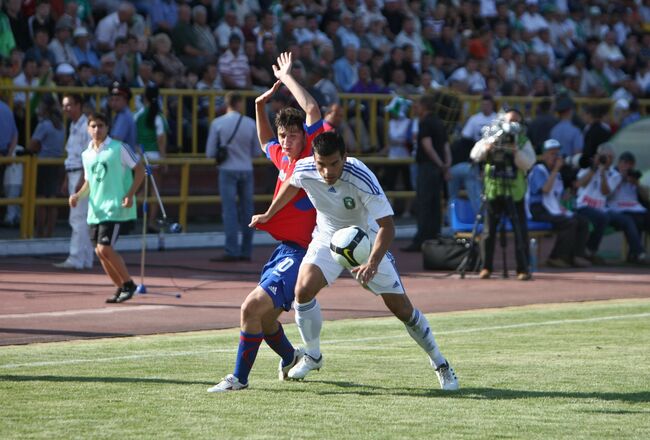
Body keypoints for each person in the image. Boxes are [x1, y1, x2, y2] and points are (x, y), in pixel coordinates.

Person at [250, 130, 459, 391]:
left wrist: (371, 263)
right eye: (321, 164)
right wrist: (269, 214)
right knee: (302, 290)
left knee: (402, 309)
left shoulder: (361, 177)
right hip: (328, 237)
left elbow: (388, 227)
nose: (327, 171)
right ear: (314, 159)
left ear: (345, 157)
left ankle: (440, 363)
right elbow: (291, 184)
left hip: (367, 240)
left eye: (334, 163)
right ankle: (313, 355)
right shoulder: (304, 168)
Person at [208, 52, 324, 392]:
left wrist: (287, 78)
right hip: (283, 249)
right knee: (267, 317)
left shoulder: (307, 158)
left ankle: (239, 379)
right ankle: (290, 357)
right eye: (284, 136)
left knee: (251, 307)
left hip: (302, 252)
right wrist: (259, 105)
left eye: (292, 135)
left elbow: (313, 111)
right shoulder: (284, 159)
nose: (286, 141)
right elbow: (264, 142)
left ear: (304, 138)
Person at [69, 112, 145, 303]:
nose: (97, 129)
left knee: (105, 248)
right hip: (97, 210)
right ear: (88, 129)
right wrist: (78, 195)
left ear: (107, 128)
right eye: (93, 126)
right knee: (99, 252)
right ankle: (120, 287)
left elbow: (140, 171)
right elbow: (89, 182)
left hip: (115, 208)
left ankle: (128, 284)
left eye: (101, 125)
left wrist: (129, 194)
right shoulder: (86, 154)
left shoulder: (118, 148)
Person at [470, 109, 536, 281]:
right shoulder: (492, 135)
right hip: (493, 190)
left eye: (516, 121)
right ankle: (486, 267)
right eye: (509, 121)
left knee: (520, 230)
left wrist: (515, 152)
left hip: (515, 192)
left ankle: (523, 268)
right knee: (488, 231)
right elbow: (475, 155)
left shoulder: (522, 141)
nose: (512, 125)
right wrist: (488, 146)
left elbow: (528, 163)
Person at [205, 92, 257, 262]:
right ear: (239, 103)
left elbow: (210, 152)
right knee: (248, 210)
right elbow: (257, 152)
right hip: (246, 168)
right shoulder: (250, 123)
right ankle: (246, 250)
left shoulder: (218, 123)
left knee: (230, 211)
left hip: (227, 169)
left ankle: (231, 249)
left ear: (227, 103)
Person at [575, 143, 646, 264]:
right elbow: (579, 184)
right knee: (603, 218)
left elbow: (605, 192)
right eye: (604, 156)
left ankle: (639, 253)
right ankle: (589, 251)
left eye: (609, 157)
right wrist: (594, 168)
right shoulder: (589, 167)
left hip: (602, 208)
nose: (606, 160)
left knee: (626, 220)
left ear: (612, 159)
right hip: (584, 206)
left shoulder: (615, 174)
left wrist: (602, 173)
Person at [527, 139, 591, 268]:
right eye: (552, 154)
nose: (555, 157)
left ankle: (576, 256)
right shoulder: (538, 169)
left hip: (551, 207)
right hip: (538, 209)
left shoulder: (557, 172)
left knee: (583, 222)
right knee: (569, 223)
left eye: (557, 154)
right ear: (544, 155)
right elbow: (545, 189)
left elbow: (558, 195)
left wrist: (569, 193)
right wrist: (556, 170)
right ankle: (556, 257)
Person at [402, 94, 451, 252]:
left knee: (424, 204)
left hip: (427, 167)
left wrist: (440, 164)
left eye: (417, 105)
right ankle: (433, 238)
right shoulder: (439, 123)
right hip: (437, 169)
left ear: (424, 107)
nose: (415, 108)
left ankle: (421, 240)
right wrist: (445, 165)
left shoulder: (425, 123)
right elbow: (445, 146)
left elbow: (427, 147)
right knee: (435, 205)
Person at [53, 93, 94, 270]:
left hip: (80, 174)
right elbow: (72, 154)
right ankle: (85, 258)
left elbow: (89, 153)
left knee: (77, 218)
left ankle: (76, 257)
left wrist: (83, 178)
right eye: (64, 105)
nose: (66, 109)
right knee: (82, 218)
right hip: (73, 173)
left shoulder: (86, 125)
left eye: (69, 105)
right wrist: (66, 179)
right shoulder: (74, 125)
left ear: (79, 105)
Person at [25, 93, 65, 238]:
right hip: (57, 164)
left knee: (41, 199)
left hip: (43, 164)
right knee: (52, 199)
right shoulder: (60, 125)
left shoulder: (44, 125)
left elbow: (32, 144)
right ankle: (50, 232)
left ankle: (40, 232)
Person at [134, 85, 168, 232]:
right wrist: (164, 160)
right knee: (154, 191)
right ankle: (151, 222)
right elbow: (161, 139)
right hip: (154, 158)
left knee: (140, 190)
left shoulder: (137, 115)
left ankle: (128, 218)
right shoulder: (159, 117)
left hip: (139, 158)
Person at [608, 151, 649, 263]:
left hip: (635, 209)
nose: (627, 166)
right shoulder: (612, 174)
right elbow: (607, 195)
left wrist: (637, 184)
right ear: (619, 163)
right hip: (618, 209)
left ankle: (634, 253)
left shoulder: (634, 177)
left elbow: (646, 197)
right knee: (633, 220)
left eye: (630, 164)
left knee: (643, 219)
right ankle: (637, 252)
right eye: (625, 163)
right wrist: (620, 179)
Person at [107, 81, 136, 152]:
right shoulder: (120, 115)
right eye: (112, 100)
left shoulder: (123, 117)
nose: (113, 103)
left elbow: (115, 142)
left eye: (117, 100)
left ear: (125, 100)